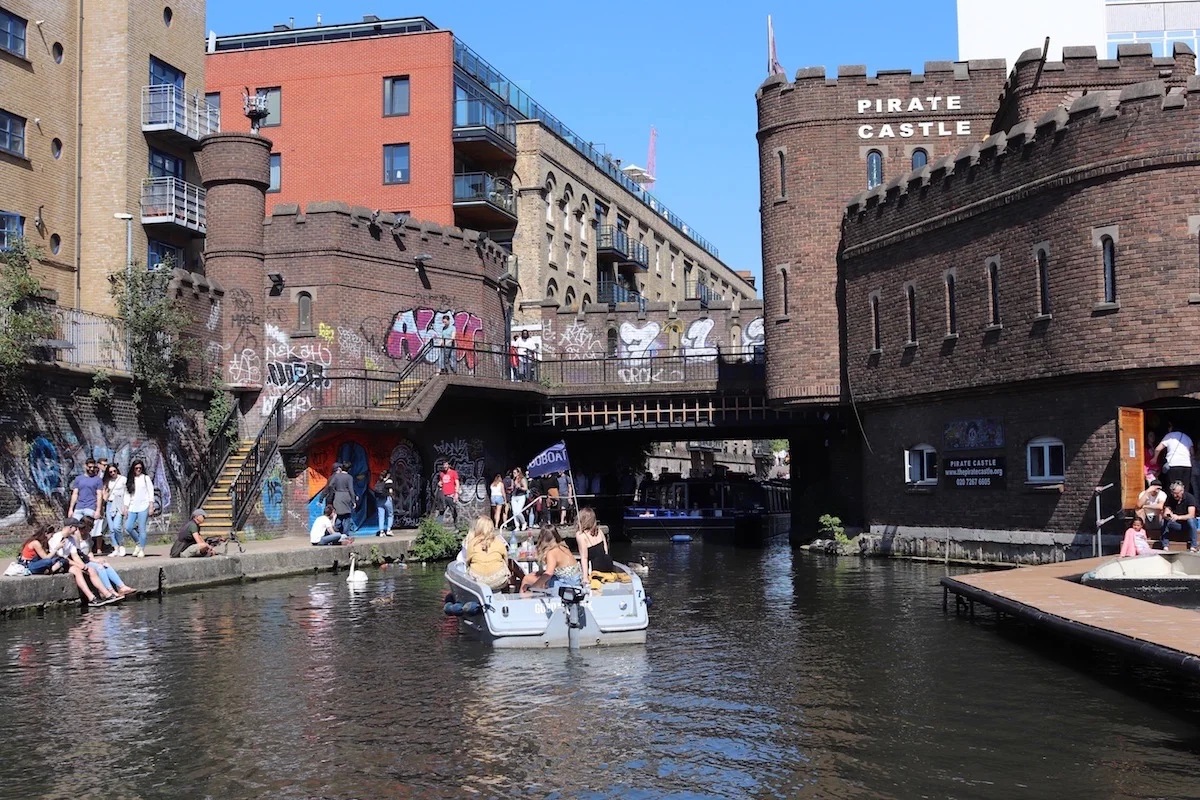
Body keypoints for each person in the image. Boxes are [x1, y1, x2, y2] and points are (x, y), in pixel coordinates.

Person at [49, 519, 121, 604]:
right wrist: (78, 565)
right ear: (70, 527)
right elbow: (62, 557)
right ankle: (91, 597)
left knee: (91, 570)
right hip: (57, 562)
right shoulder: (57, 538)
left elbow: (74, 555)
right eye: (76, 528)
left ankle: (107, 594)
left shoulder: (71, 539)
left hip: (67, 562)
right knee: (77, 571)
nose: (77, 530)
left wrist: (83, 565)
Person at [520, 526, 582, 592]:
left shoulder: (551, 552)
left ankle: (524, 600)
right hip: (574, 580)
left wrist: (533, 587)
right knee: (535, 574)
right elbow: (560, 570)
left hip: (566, 584)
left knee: (527, 579)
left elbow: (549, 573)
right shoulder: (562, 546)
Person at [463, 516, 510, 591]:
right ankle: (509, 592)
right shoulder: (499, 542)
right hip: (498, 580)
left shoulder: (472, 543)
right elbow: (506, 559)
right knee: (503, 561)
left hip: (478, 581)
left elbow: (467, 562)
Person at [123, 460, 155, 558]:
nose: (138, 470)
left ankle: (141, 548)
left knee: (142, 528)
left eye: (140, 468)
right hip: (132, 506)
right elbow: (127, 494)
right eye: (136, 468)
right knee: (128, 526)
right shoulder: (130, 479)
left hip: (143, 506)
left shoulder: (145, 478)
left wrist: (151, 506)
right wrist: (125, 507)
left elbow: (150, 492)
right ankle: (138, 543)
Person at [1161, 480, 1200, 552]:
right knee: (1165, 521)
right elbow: (1166, 511)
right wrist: (1168, 515)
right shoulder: (1170, 498)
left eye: (1176, 493)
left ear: (1182, 491)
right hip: (1176, 524)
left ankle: (1193, 546)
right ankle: (1165, 545)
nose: (1175, 495)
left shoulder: (1189, 498)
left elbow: (1191, 515)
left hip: (1188, 524)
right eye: (1173, 493)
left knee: (1191, 520)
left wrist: (1178, 517)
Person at [576, 507, 614, 579]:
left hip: (596, 568)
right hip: (608, 563)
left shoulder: (581, 535)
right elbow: (605, 551)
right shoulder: (599, 531)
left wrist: (585, 578)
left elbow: (584, 557)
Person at [1155, 423, 1193, 490]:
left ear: (1171, 428)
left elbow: (1158, 449)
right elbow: (1192, 452)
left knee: (1173, 488)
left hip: (1174, 465)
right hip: (1187, 465)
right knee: (1185, 488)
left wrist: (1154, 458)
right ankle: (1184, 500)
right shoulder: (1187, 437)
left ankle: (1173, 500)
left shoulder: (1169, 436)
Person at [324, 463, 356, 536]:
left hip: (338, 496)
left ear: (341, 468)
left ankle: (336, 528)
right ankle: (345, 534)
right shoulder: (349, 477)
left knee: (339, 514)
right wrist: (353, 500)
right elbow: (351, 489)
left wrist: (335, 491)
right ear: (349, 469)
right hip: (346, 496)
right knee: (347, 516)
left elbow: (330, 485)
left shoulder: (336, 476)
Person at [102, 463, 126, 557]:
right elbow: (104, 493)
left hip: (119, 502)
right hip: (110, 503)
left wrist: (125, 505)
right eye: (110, 472)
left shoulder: (123, 479)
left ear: (117, 470)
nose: (112, 473)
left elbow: (127, 492)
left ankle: (121, 544)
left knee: (117, 526)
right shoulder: (107, 481)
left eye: (114, 471)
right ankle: (116, 548)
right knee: (111, 528)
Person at [436, 461, 460, 526]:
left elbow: (457, 483)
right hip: (443, 495)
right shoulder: (441, 474)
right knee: (441, 511)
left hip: (451, 495)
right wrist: (439, 483)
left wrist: (456, 493)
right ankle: (436, 528)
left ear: (449, 465)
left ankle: (457, 526)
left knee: (454, 511)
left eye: (446, 465)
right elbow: (441, 482)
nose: (445, 466)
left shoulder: (453, 473)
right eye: (444, 465)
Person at [373, 469, 395, 537]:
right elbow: (390, 491)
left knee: (381, 516)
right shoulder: (389, 481)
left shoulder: (379, 481)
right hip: (387, 499)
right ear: (388, 475)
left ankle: (381, 531)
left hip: (379, 500)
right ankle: (388, 530)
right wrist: (392, 497)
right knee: (390, 514)